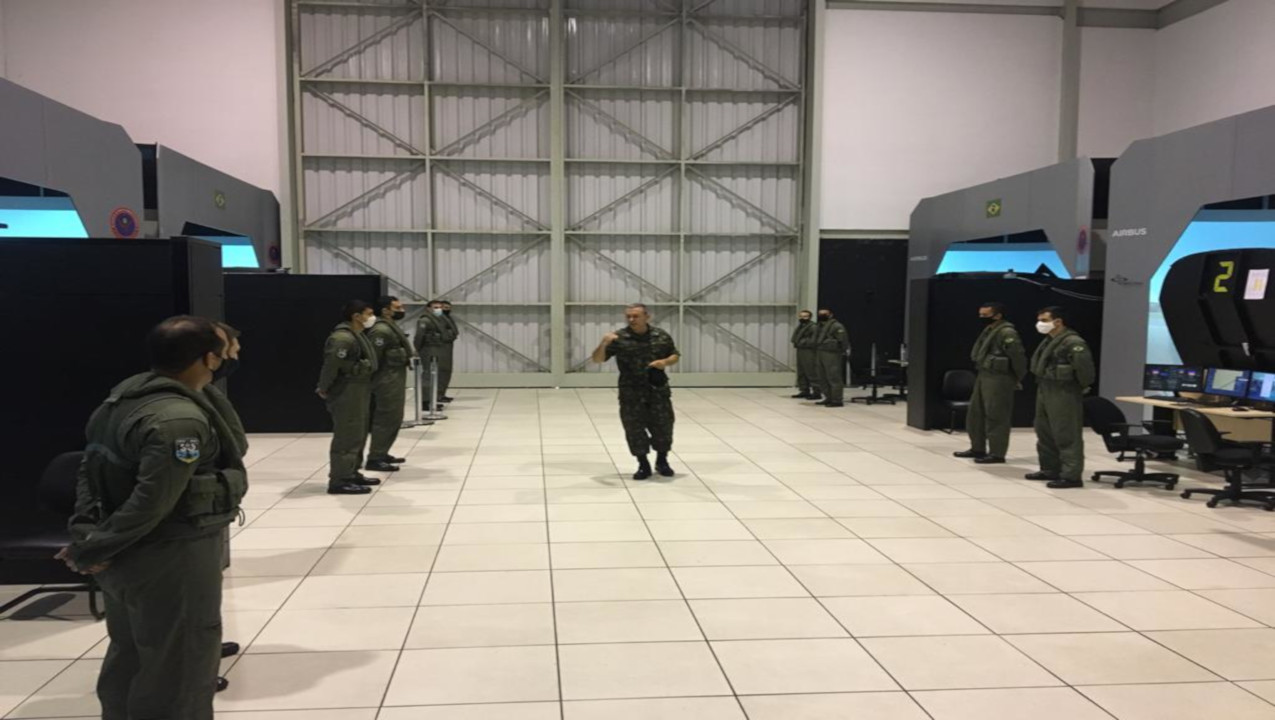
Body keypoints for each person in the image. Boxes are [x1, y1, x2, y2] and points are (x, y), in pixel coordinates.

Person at [59, 316, 248, 720]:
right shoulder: (178, 420)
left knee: (131, 655)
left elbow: (88, 472)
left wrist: (91, 536)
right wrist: (94, 545)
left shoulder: (122, 401)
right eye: (224, 352)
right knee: (179, 668)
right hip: (169, 556)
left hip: (128, 555)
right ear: (209, 359)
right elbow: (154, 500)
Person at [591, 303, 680, 480]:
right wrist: (604, 343)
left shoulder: (660, 335)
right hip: (631, 392)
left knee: (663, 427)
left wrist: (665, 362)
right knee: (634, 429)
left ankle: (662, 461)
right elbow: (597, 359)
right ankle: (643, 464)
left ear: (647, 317)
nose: (631, 319)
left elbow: (675, 355)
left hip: (657, 391)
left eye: (636, 316)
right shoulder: (619, 337)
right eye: (628, 316)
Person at [209, 322, 248, 693]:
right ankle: (187, 671)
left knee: (202, 597)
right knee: (182, 603)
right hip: (180, 527)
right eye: (230, 350)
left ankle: (201, 649)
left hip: (202, 520)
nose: (234, 356)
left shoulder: (202, 394)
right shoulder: (177, 410)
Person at [1026, 306, 1096, 489]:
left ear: (1058, 322)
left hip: (1064, 391)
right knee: (1044, 431)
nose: (1040, 324)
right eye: (1039, 320)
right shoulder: (1049, 341)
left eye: (1044, 320)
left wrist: (1079, 387)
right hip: (1045, 388)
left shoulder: (1073, 342)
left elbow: (1085, 371)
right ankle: (1050, 469)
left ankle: (1071, 475)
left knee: (1066, 433)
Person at [317, 300, 380, 495]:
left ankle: (351, 472)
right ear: (356, 316)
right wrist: (323, 386)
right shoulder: (343, 338)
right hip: (347, 390)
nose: (371, 318)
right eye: (368, 314)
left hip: (359, 389)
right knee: (347, 434)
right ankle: (339, 479)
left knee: (358, 432)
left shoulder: (356, 335)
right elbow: (331, 365)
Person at [954, 302, 1027, 465]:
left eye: (985, 315)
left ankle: (997, 453)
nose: (981, 318)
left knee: (996, 415)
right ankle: (977, 448)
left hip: (999, 378)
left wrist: (1016, 377)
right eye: (980, 315)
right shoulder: (989, 330)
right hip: (984, 375)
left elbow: (1018, 358)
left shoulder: (1007, 332)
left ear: (998, 315)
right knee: (976, 414)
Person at [366, 296, 416, 471]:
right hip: (386, 379)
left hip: (394, 377)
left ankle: (382, 452)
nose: (402, 310)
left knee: (394, 417)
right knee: (386, 417)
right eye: (397, 307)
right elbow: (374, 358)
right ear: (386, 310)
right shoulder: (381, 330)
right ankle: (375, 457)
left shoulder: (391, 326)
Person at [414, 300, 450, 411]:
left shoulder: (438, 319)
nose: (438, 309)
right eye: (435, 307)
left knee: (435, 375)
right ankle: (425, 401)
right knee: (428, 375)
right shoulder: (425, 320)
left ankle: (432, 400)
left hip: (437, 349)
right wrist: (417, 349)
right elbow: (419, 336)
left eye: (440, 307)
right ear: (428, 308)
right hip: (428, 349)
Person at [813, 308, 848, 407]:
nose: (822, 315)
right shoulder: (819, 326)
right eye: (820, 314)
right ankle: (828, 397)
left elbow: (842, 341)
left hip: (832, 353)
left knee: (833, 376)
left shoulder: (837, 326)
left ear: (831, 315)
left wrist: (832, 345)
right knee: (822, 376)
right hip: (820, 352)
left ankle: (837, 399)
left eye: (825, 314)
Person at [790, 310, 822, 401]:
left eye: (805, 316)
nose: (802, 318)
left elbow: (813, 340)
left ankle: (817, 391)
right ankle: (804, 390)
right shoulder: (800, 327)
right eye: (801, 316)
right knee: (801, 371)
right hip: (800, 349)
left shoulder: (813, 327)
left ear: (810, 317)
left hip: (809, 350)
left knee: (811, 371)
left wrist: (802, 342)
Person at [439, 300, 458, 403]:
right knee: (441, 371)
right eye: (445, 308)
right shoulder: (439, 318)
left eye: (449, 308)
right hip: (441, 347)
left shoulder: (448, 318)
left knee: (446, 371)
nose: (447, 310)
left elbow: (454, 331)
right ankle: (438, 395)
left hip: (448, 346)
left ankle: (442, 393)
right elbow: (444, 333)